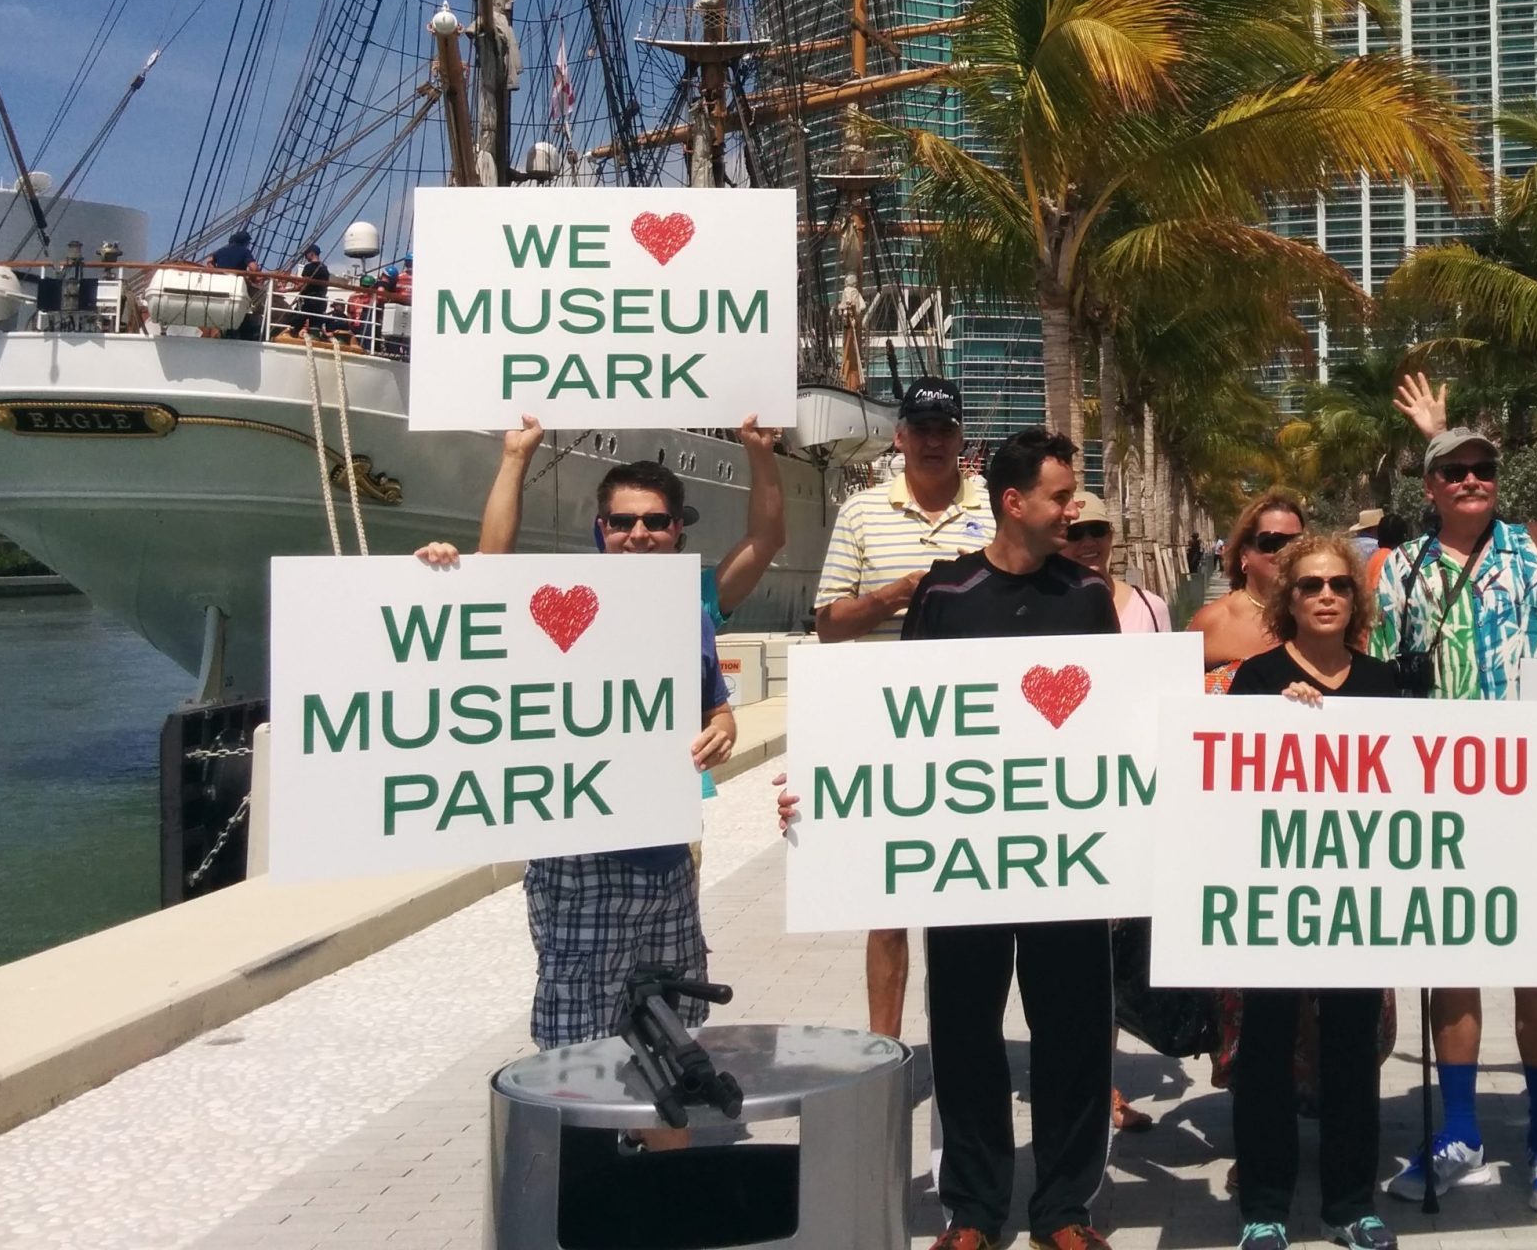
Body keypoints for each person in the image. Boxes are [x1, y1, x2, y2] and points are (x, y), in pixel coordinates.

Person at [784, 429, 1122, 1250]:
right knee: (967, 1031)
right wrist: (825, 791)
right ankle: (972, 1209)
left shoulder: (1086, 596)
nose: (1071, 509)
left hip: (1063, 857)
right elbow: (902, 719)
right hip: (965, 860)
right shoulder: (945, 595)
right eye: (1059, 497)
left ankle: (1065, 1210)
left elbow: (1115, 720)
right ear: (1014, 503)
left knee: (1073, 1033)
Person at [418, 412, 783, 1145]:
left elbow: (763, 549)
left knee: (668, 1027)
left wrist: (727, 721)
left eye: (655, 523)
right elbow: (489, 570)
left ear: (679, 529)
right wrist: (516, 457)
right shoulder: (551, 601)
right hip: (578, 852)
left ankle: (658, 1171)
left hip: (669, 852)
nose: (639, 535)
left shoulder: (695, 605)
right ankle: (584, 1174)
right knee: (577, 1038)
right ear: (599, 529)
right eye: (623, 523)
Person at [1370, 372, 1537, 1214]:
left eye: (1484, 469)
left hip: (1534, 794)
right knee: (1454, 970)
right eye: (1455, 470)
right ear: (1429, 485)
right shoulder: (1399, 569)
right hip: (1439, 798)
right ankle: (1459, 1131)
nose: (1473, 480)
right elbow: (1376, 675)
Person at [1227, 535, 1403, 1250]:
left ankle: (1349, 1205)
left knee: (1351, 1049)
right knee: (1265, 1045)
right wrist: (1279, 723)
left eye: (1337, 585)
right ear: (1287, 601)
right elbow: (1227, 782)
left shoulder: (1388, 684)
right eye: (1309, 586)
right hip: (1273, 895)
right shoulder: (1256, 679)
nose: (1325, 595)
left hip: (1355, 902)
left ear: (1354, 599)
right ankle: (1264, 1206)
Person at [810, 376, 992, 1041]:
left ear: (960, 437)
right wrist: (904, 592)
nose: (933, 441)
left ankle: (963, 1039)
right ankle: (883, 1046)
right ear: (900, 436)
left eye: (945, 430)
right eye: (921, 429)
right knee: (887, 906)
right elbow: (828, 623)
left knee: (969, 904)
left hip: (976, 734)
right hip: (888, 731)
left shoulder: (993, 511)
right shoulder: (861, 512)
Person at [1194, 491, 1303, 670]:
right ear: (1244, 555)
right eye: (1272, 542)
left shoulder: (1324, 616)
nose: (1286, 552)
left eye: (1297, 543)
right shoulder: (1213, 621)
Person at [1067, 491, 1170, 634]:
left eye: (1097, 530)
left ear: (1110, 536)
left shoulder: (1151, 608)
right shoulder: (1044, 612)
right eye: (1074, 533)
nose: (1088, 542)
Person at [292, 241, 333, 334]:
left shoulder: (309, 267)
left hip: (309, 302)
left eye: (306, 254)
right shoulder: (324, 269)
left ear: (311, 253)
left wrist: (286, 290)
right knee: (315, 326)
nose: (305, 257)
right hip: (320, 302)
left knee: (294, 322)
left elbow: (303, 285)